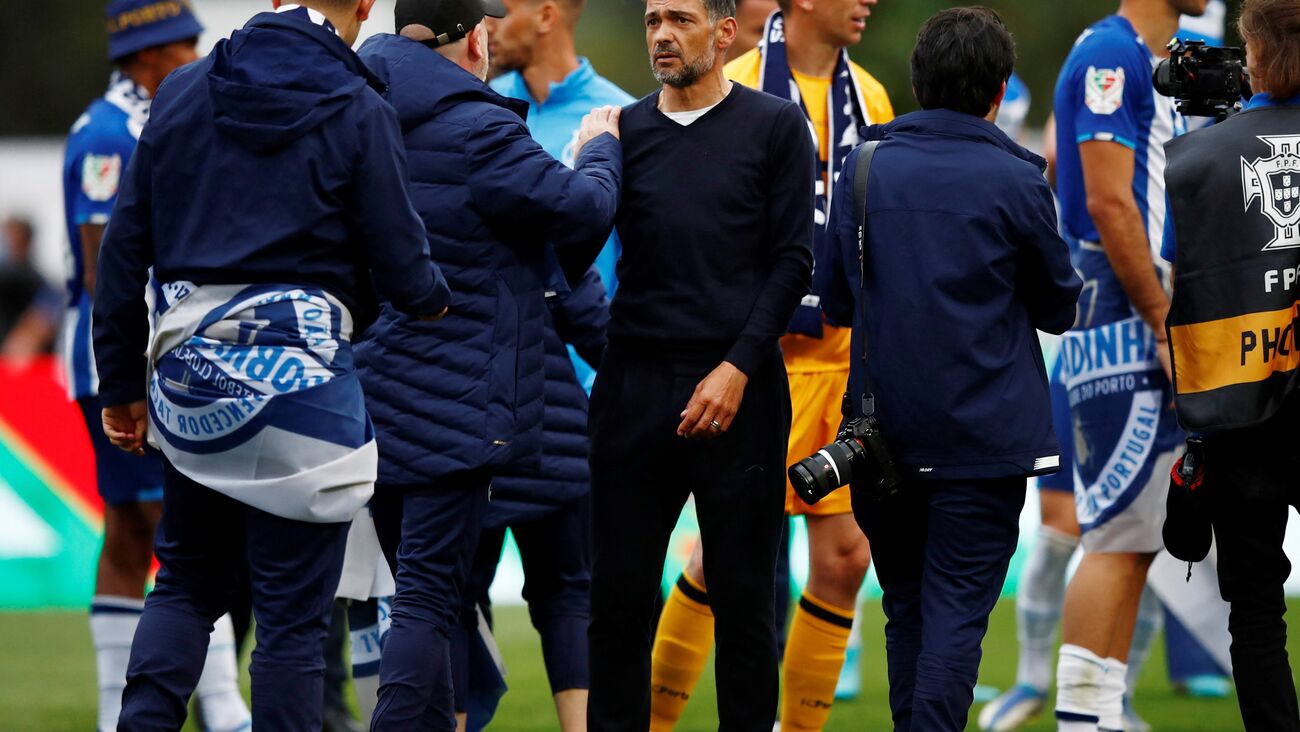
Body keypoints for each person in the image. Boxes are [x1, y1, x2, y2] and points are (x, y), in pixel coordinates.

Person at [91, 0, 453, 728]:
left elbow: (124, 249)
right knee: (292, 622)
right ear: (364, 6)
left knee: (185, 586)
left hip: (191, 376)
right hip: (306, 389)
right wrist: (435, 298)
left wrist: (122, 383)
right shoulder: (359, 102)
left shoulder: (183, 89)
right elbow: (406, 272)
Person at [352, 0, 622, 727]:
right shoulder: (482, 127)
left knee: (423, 596)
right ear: (476, 38)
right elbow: (580, 214)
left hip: (372, 400)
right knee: (440, 599)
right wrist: (599, 150)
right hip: (470, 402)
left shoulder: (354, 113)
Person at [821, 8, 1082, 731]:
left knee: (906, 612)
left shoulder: (863, 166)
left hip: (879, 438)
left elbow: (835, 300)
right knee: (955, 618)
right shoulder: (1017, 179)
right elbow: (1060, 307)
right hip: (983, 441)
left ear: (918, 81)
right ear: (999, 91)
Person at [648, 0, 892, 728]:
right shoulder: (737, 81)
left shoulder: (871, 96)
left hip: (842, 364)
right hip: (760, 365)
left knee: (846, 559)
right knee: (721, 561)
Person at [586, 0, 814, 728]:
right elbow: (571, 250)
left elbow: (794, 261)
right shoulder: (619, 132)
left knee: (746, 605)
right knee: (616, 604)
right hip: (634, 387)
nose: (661, 34)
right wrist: (589, 161)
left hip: (742, 389)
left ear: (724, 32)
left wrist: (738, 366)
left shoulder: (777, 125)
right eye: (653, 19)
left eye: (680, 19)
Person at [61, 4, 251, 731]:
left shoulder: (159, 118)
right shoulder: (107, 134)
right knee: (158, 520)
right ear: (147, 52)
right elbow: (103, 264)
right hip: (122, 360)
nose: (197, 53)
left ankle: (169, 704)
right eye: (184, 44)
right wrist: (133, 369)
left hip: (168, 352)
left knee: (149, 523)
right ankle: (208, 705)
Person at [1049, 1, 1208, 730]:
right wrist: (1159, 320)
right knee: (1116, 535)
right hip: (1124, 311)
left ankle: (1100, 712)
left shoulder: (1143, 54)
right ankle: (1082, 719)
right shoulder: (1110, 56)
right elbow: (1110, 203)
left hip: (1134, 307)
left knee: (1139, 536)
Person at [1161, 1, 1300, 728]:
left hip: (1240, 404)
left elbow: (1178, 285)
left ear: (1258, 55)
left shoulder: (1195, 158)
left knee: (1255, 606)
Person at [465, 266, 610, 731]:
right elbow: (595, 326)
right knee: (568, 596)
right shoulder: (544, 222)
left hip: (456, 431)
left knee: (445, 601)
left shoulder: (420, 218)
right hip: (551, 434)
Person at [486, 0, 633, 384]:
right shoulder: (483, 108)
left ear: (546, 16)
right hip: (496, 376)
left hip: (588, 374)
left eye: (503, 12)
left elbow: (639, 259)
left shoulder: (619, 116)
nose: (488, 24)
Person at [0, 217, 60, 357]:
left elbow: (47, 313)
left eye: (12, 238)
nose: (7, 243)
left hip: (20, 360)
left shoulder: (36, 281)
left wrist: (30, 334)